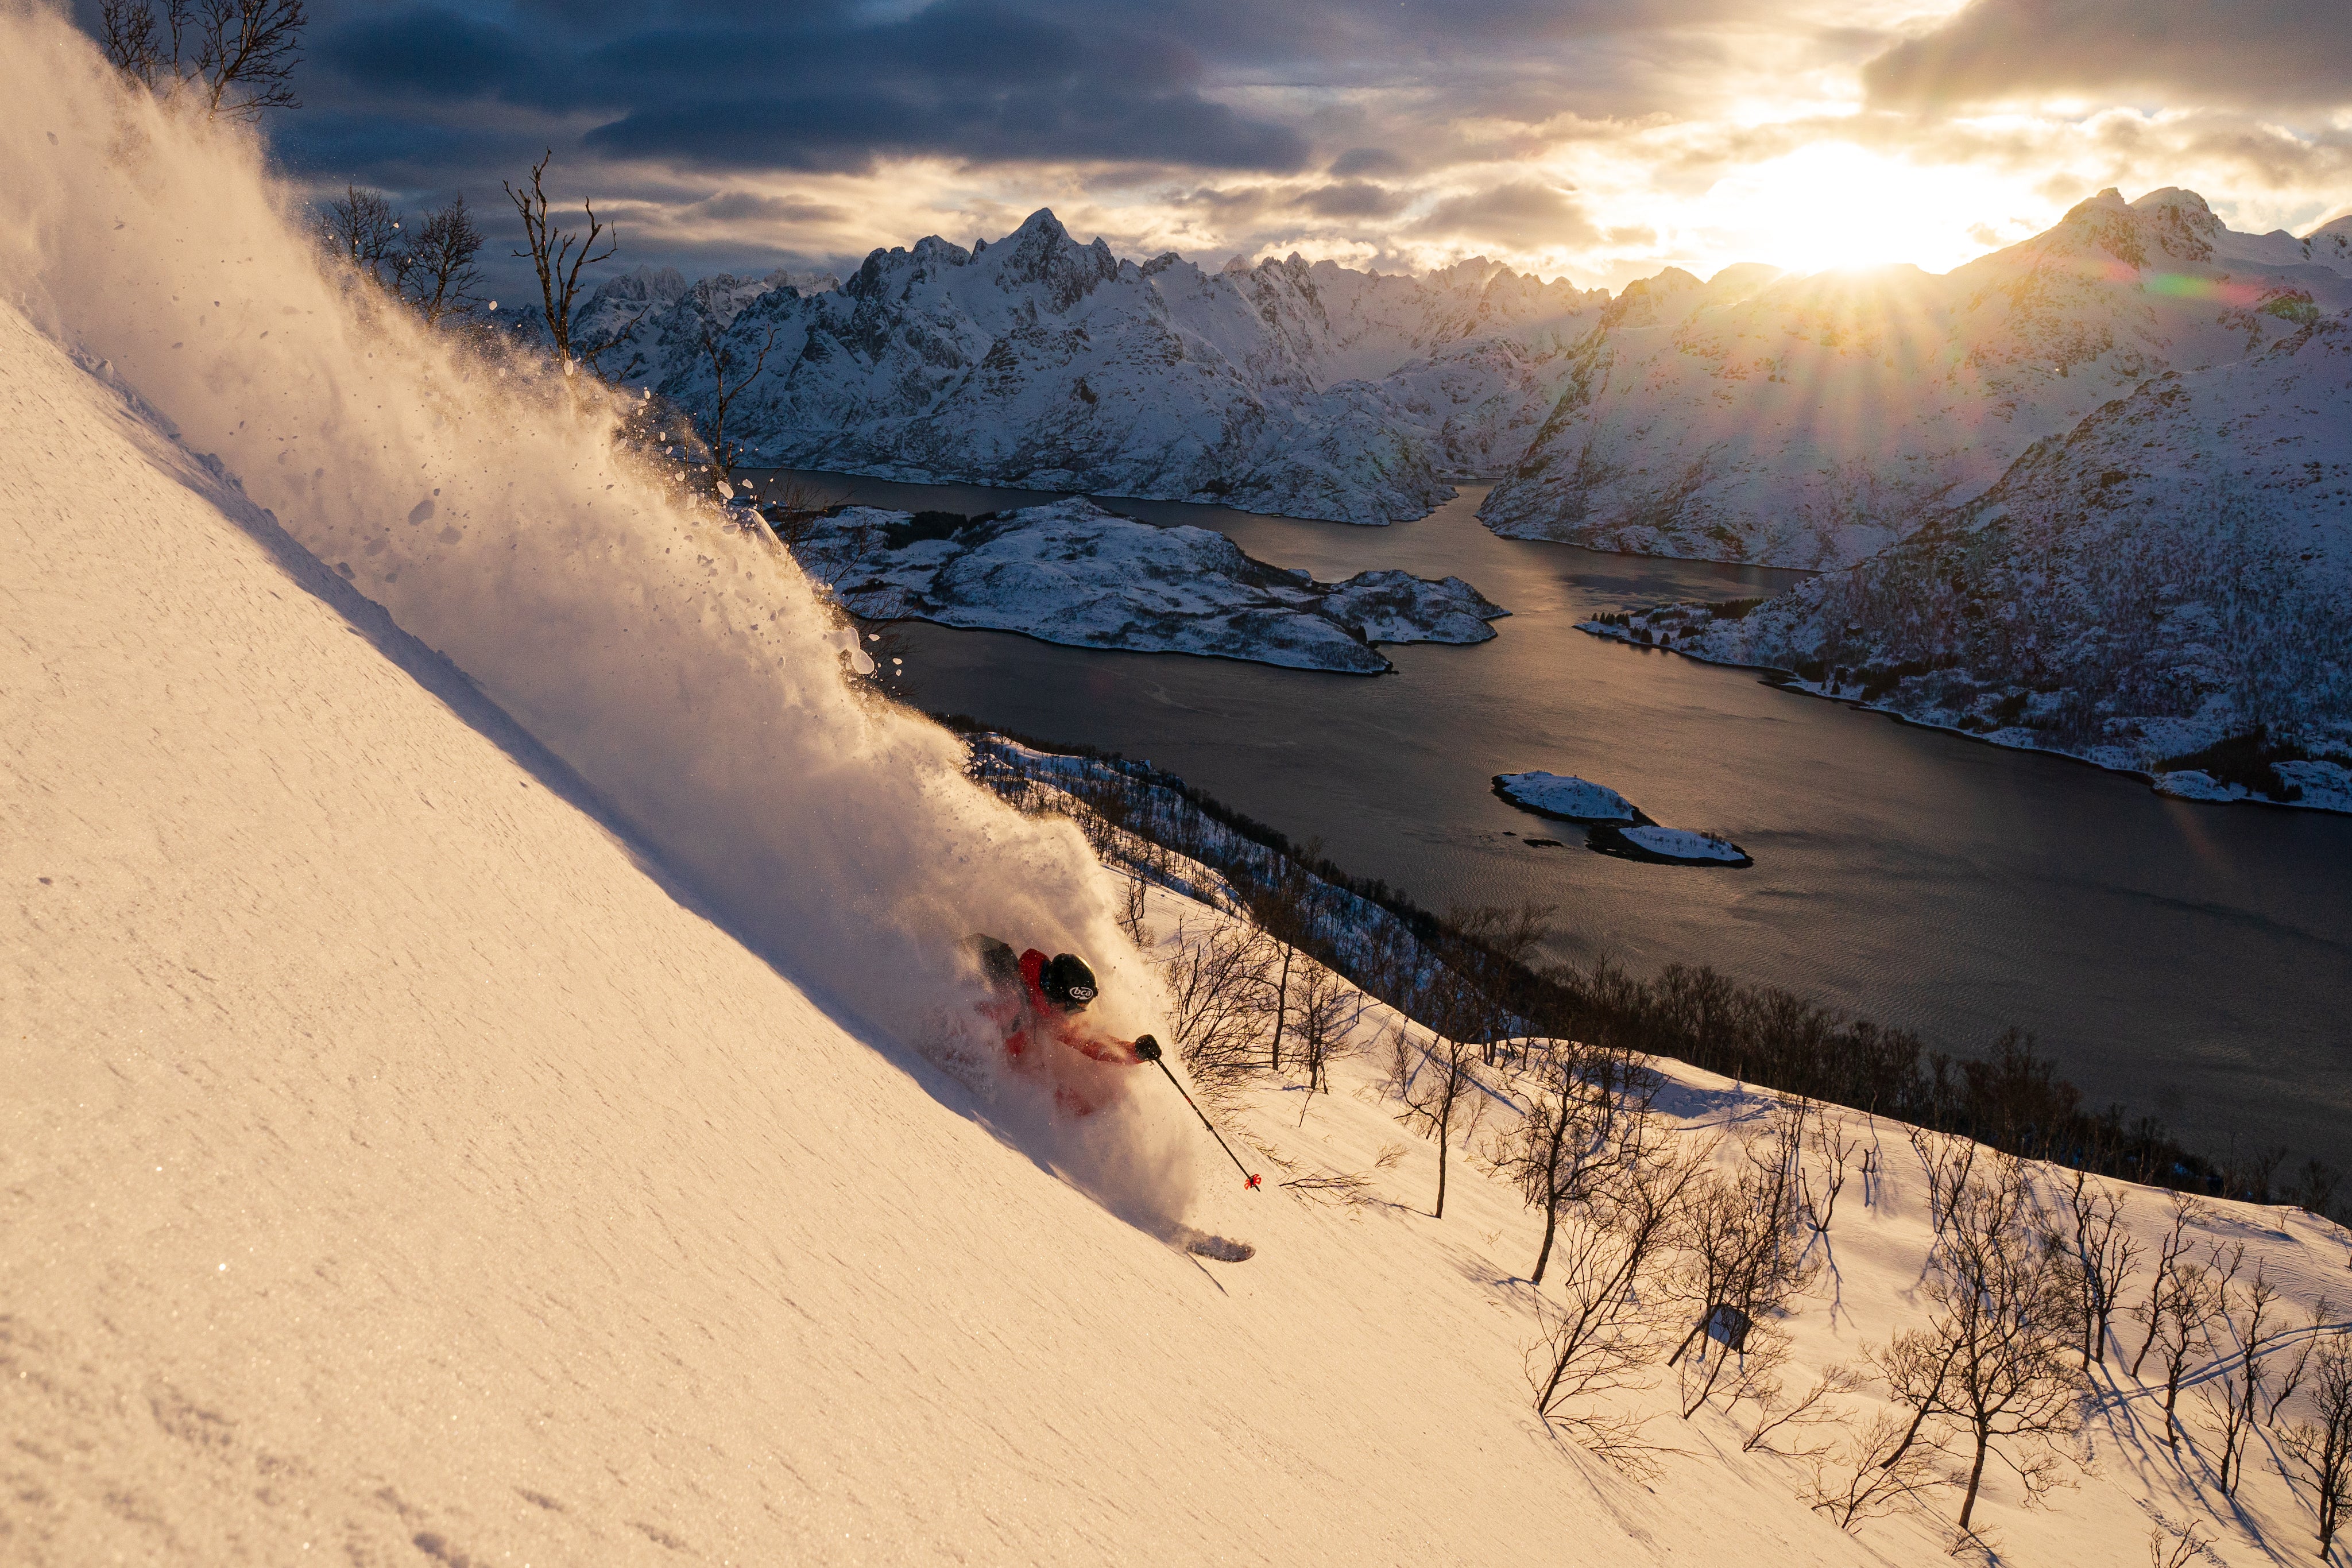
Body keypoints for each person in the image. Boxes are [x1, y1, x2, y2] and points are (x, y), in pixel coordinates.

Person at [968, 934, 1160, 1116]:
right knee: (1028, 1060)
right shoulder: (1010, 988)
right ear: (1057, 996)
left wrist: (1134, 1051)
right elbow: (969, 1022)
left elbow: (1090, 1043)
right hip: (969, 1084)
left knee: (1043, 1075)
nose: (1069, 1016)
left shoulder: (1042, 1006)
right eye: (1071, 1009)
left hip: (995, 1063)